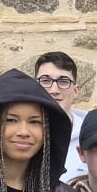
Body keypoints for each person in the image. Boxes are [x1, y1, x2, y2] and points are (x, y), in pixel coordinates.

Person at [34, 50, 89, 182]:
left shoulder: (92, 135)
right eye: (46, 80)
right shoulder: (21, 135)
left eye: (63, 81)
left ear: (75, 91)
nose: (54, 90)